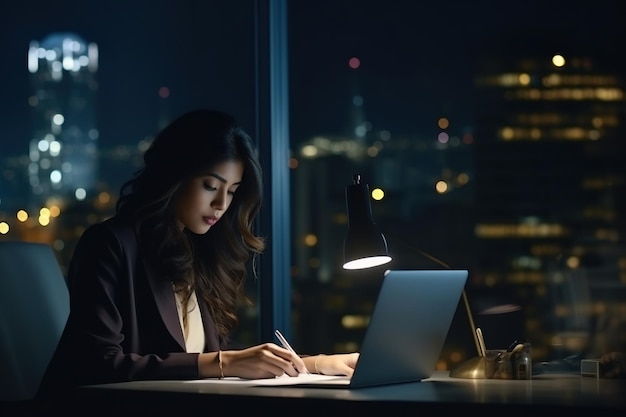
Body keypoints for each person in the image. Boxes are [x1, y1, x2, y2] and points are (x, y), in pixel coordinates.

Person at [37, 109, 358, 400]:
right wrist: (226, 361)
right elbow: (97, 363)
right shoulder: (110, 243)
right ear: (174, 176)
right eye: (210, 185)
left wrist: (312, 364)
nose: (221, 203)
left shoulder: (198, 252)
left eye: (231, 191)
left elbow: (195, 357)